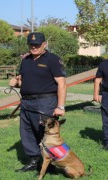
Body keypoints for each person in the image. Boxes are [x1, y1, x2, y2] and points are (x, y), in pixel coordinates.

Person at [9, 32, 67, 172]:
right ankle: (34, 161)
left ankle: (53, 163)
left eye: (37, 45)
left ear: (44, 44)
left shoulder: (52, 59)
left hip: (45, 102)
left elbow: (62, 84)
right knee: (27, 132)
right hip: (27, 102)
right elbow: (23, 82)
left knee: (46, 133)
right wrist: (15, 83)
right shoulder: (26, 60)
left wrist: (60, 106)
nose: (34, 47)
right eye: (31, 45)